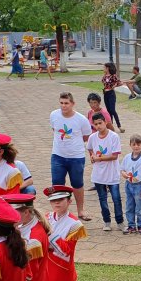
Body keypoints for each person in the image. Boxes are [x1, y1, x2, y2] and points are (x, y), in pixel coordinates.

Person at [45, 185, 86, 281]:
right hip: (48, 266)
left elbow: (66, 250)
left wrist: (49, 234)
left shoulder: (75, 224)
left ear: (69, 201)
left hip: (62, 268)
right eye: (53, 200)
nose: (56, 203)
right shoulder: (47, 217)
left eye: (60, 199)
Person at [50, 92, 92, 221]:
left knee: (77, 184)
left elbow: (86, 136)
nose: (64, 106)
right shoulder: (54, 115)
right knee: (57, 184)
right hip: (57, 155)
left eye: (66, 103)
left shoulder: (81, 119)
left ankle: (80, 210)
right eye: (61, 103)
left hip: (76, 157)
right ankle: (59, 211)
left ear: (72, 104)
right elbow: (54, 130)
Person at [87, 114, 123, 231]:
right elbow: (90, 148)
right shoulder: (92, 137)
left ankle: (120, 221)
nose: (98, 126)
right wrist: (92, 156)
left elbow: (114, 156)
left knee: (116, 199)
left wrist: (99, 158)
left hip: (112, 174)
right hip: (99, 174)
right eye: (95, 124)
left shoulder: (114, 137)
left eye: (100, 123)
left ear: (105, 122)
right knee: (102, 199)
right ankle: (106, 221)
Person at [120, 134, 141, 234]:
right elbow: (122, 169)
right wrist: (124, 174)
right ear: (130, 145)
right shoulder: (127, 157)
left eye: (138, 144)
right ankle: (131, 225)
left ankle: (140, 225)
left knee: (139, 207)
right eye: (134, 144)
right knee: (129, 206)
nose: (136, 146)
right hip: (129, 185)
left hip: (139, 185)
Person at [101, 62, 124, 132]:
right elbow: (104, 83)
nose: (103, 69)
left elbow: (120, 83)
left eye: (104, 67)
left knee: (112, 110)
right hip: (105, 94)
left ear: (107, 68)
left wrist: (114, 86)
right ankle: (111, 126)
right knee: (108, 111)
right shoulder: (104, 76)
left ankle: (119, 126)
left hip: (111, 94)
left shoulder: (113, 76)